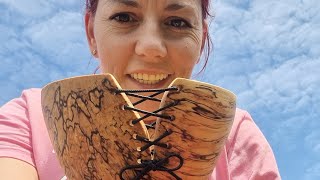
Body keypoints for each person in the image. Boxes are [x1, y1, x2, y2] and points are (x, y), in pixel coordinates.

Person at [0, 0, 281, 179]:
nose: (151, 47)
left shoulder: (235, 134)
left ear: (201, 38)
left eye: (177, 22)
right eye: (124, 17)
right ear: (90, 32)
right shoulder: (30, 116)